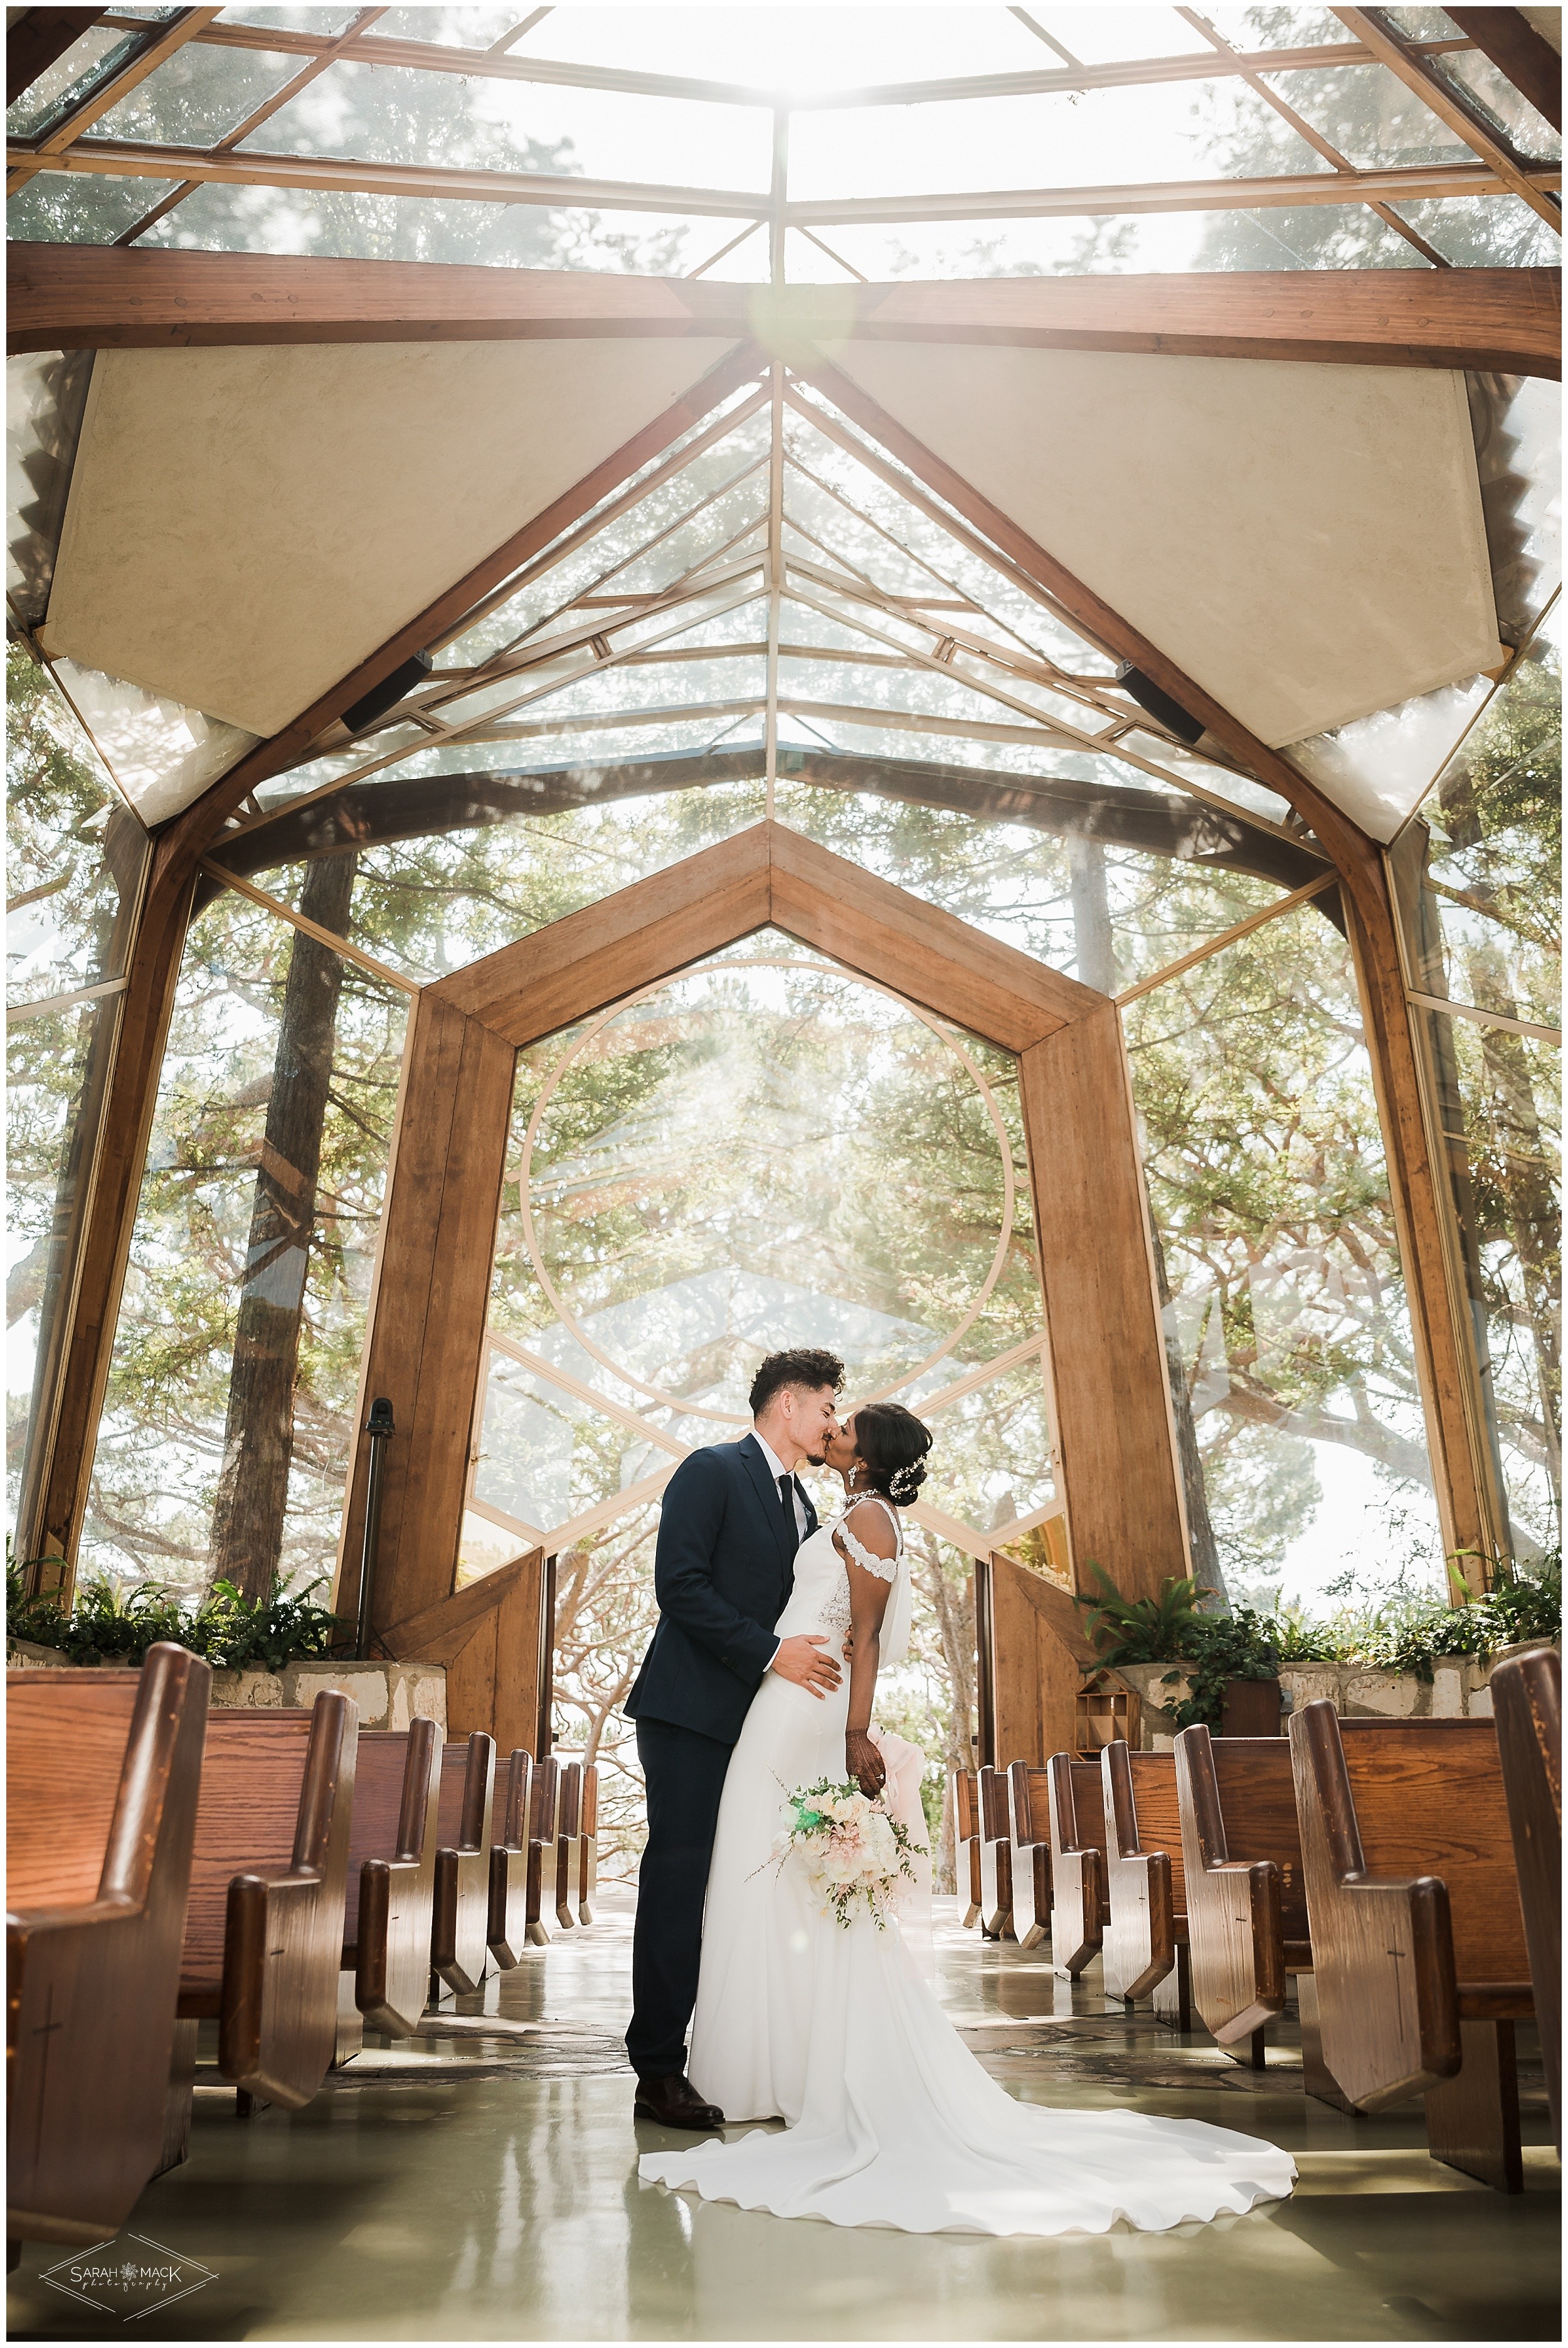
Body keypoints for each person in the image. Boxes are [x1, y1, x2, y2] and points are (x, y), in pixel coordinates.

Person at [638, 1402, 1298, 2238]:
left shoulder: (870, 1514)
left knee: (766, 1875)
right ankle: (769, 2067)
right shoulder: (839, 1510)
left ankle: (784, 2072)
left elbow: (867, 1636)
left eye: (849, 1424)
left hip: (808, 1707)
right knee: (765, 1882)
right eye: (831, 1417)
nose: (835, 1427)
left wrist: (853, 1729)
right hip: (784, 1700)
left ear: (871, 1453)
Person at [623, 1347, 847, 2128]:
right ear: (787, 1404)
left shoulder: (806, 1507)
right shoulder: (711, 1468)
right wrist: (769, 1652)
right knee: (679, 1883)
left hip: (761, 1727)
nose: (832, 1423)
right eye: (825, 1407)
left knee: (744, 1889)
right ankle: (657, 2070)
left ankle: (743, 2056)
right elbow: (678, 1583)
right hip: (688, 1713)